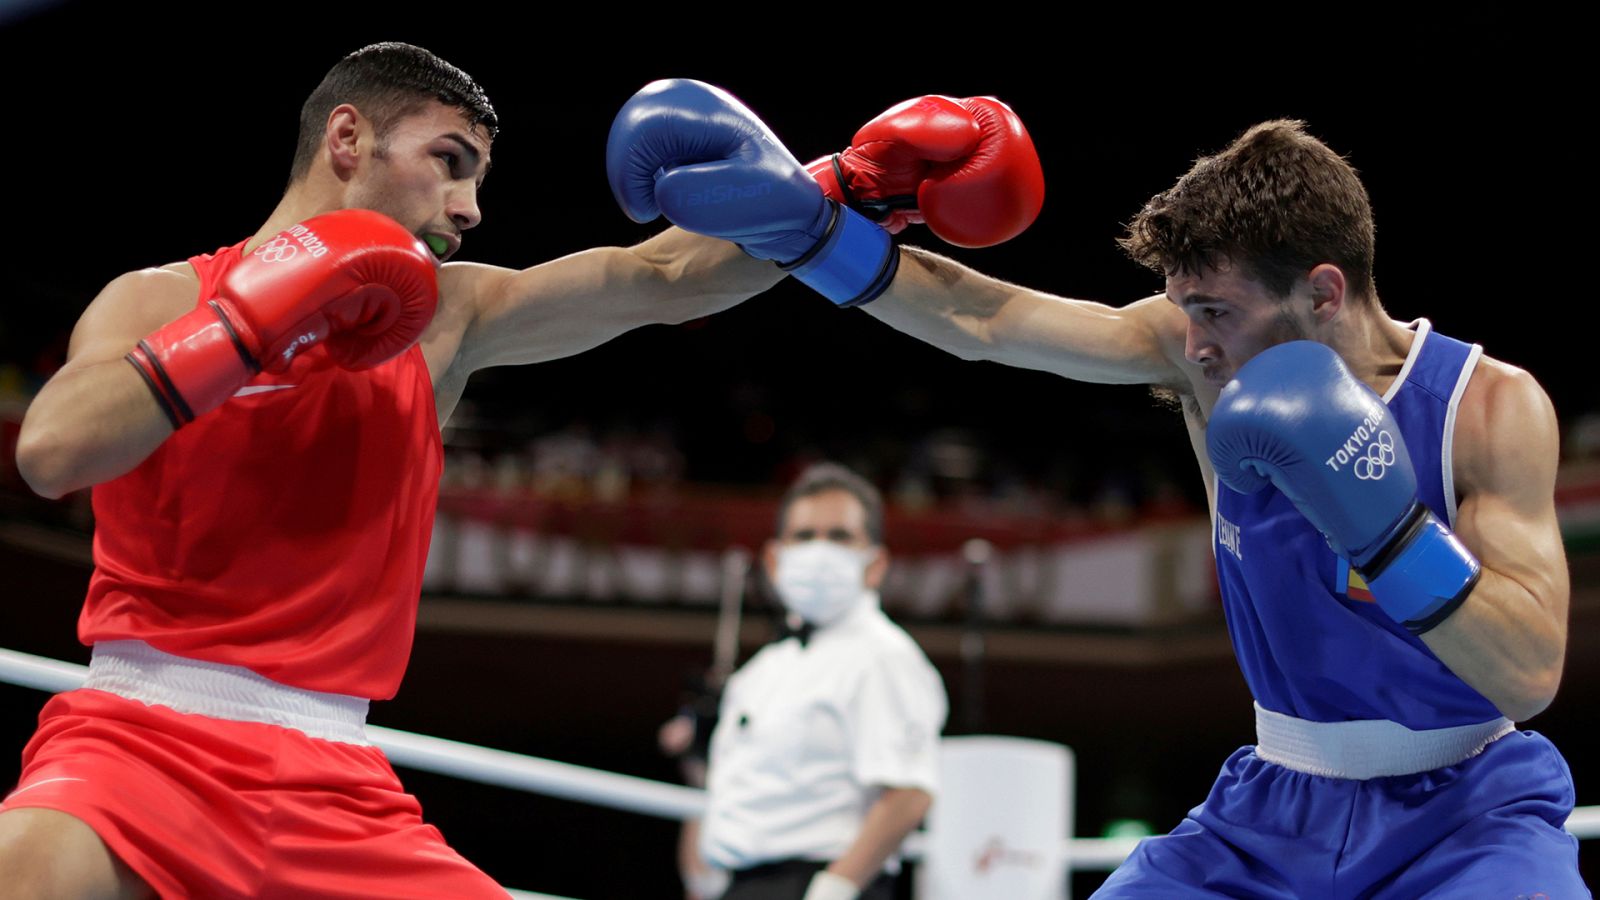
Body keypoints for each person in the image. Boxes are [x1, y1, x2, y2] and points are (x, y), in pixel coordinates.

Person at [615, 98, 1586, 896]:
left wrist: (1391, 531)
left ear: (1323, 293)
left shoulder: (1486, 409)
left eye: (1216, 310)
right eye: (1183, 307)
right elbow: (986, 317)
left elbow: (1530, 669)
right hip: (1271, 812)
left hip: (1468, 814)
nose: (1194, 341)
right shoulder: (1195, 357)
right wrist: (814, 233)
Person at [0, 43, 805, 898]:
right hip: (133, 749)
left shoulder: (446, 320)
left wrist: (845, 193)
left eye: (479, 181)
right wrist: (244, 326)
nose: (470, 209)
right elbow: (51, 453)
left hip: (335, 788)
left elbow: (661, 274)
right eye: (448, 164)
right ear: (348, 138)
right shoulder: (160, 299)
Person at [698, 462, 947, 900]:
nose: (819, 550)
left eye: (840, 536)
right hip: (743, 883)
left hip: (823, 882)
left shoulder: (884, 655)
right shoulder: (759, 672)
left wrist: (834, 889)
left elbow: (910, 792)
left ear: (875, 563)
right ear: (774, 560)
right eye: (805, 535)